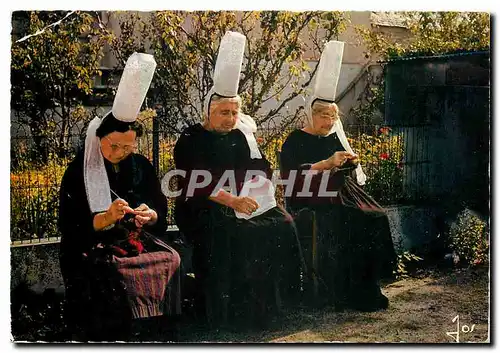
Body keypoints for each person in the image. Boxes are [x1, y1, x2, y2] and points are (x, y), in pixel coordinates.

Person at [174, 31, 300, 329]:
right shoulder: (191, 139)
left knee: (282, 224)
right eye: (223, 112)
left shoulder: (238, 136)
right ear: (208, 111)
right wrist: (234, 200)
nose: (230, 119)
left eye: (234, 112)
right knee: (233, 235)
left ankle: (268, 307)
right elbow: (195, 182)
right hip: (203, 207)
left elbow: (259, 166)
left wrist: (260, 191)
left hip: (243, 203)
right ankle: (230, 315)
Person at [58, 53, 181, 341]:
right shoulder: (79, 172)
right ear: (99, 138)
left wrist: (150, 215)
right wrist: (107, 217)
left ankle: (155, 328)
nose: (120, 153)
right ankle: (120, 333)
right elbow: (70, 226)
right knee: (114, 270)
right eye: (114, 146)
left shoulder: (141, 165)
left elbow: (158, 209)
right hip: (94, 242)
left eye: (127, 148)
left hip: (135, 237)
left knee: (171, 258)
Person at [280, 41, 396, 312]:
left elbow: (343, 169)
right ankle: (342, 291)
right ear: (310, 114)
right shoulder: (294, 140)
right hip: (309, 196)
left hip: (338, 192)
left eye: (332, 118)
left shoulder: (332, 136)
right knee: (355, 220)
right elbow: (293, 177)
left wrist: (348, 163)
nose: (328, 123)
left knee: (376, 216)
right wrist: (326, 163)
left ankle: (366, 286)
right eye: (323, 117)